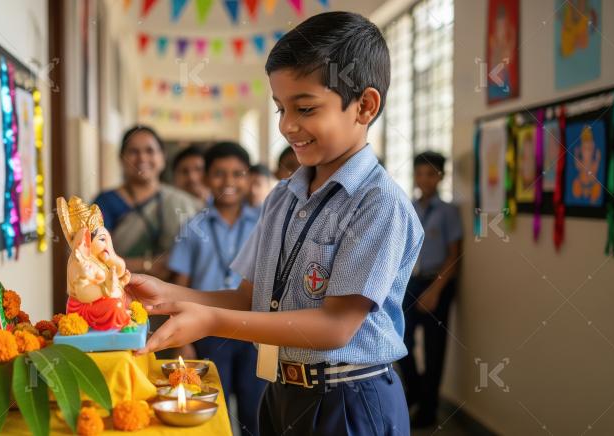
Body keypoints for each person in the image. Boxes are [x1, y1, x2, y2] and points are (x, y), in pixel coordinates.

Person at [127, 12, 423, 435]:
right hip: (282, 391)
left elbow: (336, 326)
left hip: (350, 399)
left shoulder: (378, 203)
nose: (287, 125)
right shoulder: (282, 197)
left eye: (304, 108)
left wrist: (210, 322)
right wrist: (167, 294)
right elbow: (253, 297)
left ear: (365, 106)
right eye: (280, 108)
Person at [168, 142, 265, 435]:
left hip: (255, 331)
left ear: (249, 179)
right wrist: (180, 340)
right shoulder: (193, 226)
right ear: (206, 178)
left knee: (255, 410)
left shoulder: (264, 223)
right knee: (210, 407)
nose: (229, 182)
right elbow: (179, 286)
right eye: (219, 174)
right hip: (207, 332)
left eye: (238, 174)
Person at [399, 151, 462, 428]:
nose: (424, 179)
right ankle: (415, 390)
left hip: (438, 283)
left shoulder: (448, 212)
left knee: (435, 350)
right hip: (410, 283)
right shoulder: (408, 206)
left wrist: (435, 291)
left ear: (440, 177)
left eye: (430, 174)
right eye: (419, 173)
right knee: (402, 340)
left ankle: (429, 410)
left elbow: (455, 255)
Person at [92, 125, 200, 280]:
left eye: (150, 151)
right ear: (122, 158)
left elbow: (196, 255)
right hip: (117, 289)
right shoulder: (106, 202)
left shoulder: (182, 202)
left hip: (172, 292)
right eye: (134, 152)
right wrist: (148, 265)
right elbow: (94, 258)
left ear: (162, 157)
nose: (142, 158)